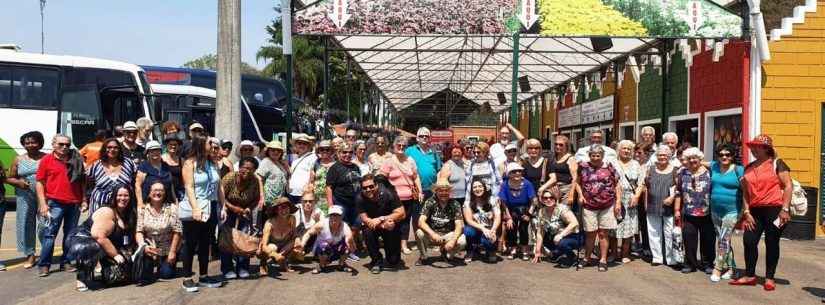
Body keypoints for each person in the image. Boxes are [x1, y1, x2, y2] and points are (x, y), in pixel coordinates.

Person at [732, 134, 792, 291]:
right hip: (754, 211)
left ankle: (770, 278)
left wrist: (785, 209)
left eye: (757, 146)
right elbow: (746, 192)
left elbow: (788, 186)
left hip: (775, 209)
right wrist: (746, 211)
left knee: (772, 243)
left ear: (766, 149)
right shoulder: (749, 167)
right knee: (749, 240)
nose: (753, 149)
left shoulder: (777, 164)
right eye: (752, 146)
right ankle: (750, 275)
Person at [36, 134, 86, 277]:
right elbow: (40, 182)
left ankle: (67, 261)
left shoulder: (76, 159)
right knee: (49, 234)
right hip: (54, 203)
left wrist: (84, 199)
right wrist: (43, 203)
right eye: (61, 144)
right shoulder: (46, 160)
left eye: (67, 145)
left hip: (74, 203)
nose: (64, 147)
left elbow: (82, 181)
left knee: (70, 235)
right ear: (53, 144)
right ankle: (44, 264)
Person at [178, 136, 222, 292]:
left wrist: (223, 206)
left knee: (206, 242)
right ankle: (187, 277)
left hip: (211, 205)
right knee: (190, 243)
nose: (213, 145)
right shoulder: (190, 164)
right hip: (196, 206)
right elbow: (189, 187)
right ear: (201, 145)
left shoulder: (212, 163)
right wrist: (195, 207)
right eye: (210, 143)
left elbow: (218, 185)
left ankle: (204, 275)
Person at [75, 186, 135, 291]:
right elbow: (99, 236)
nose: (123, 198)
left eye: (126, 195)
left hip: (106, 241)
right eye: (119, 195)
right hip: (85, 239)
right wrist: (115, 255)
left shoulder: (129, 212)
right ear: (114, 197)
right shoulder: (107, 211)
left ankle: (104, 270)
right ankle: (82, 278)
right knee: (91, 246)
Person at [574, 144, 621, 272]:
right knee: (590, 233)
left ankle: (603, 259)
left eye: (598, 155)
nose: (595, 158)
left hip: (607, 204)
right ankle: (587, 258)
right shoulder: (583, 167)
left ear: (602, 156)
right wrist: (580, 195)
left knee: (603, 233)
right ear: (589, 155)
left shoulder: (609, 167)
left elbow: (617, 185)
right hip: (589, 205)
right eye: (593, 155)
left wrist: (618, 203)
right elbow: (577, 182)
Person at [6, 131, 46, 269]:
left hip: (44, 197)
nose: (30, 145)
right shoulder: (18, 159)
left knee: (44, 225)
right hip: (24, 197)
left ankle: (46, 252)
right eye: (27, 142)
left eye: (33, 142)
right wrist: (18, 183)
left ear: (40, 143)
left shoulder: (47, 158)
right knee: (25, 225)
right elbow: (10, 177)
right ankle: (30, 254)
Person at [673, 147, 715, 274]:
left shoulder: (709, 172)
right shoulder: (682, 173)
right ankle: (690, 263)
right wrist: (676, 210)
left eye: (694, 158)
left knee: (708, 239)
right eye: (689, 158)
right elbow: (678, 192)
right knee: (689, 238)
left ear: (700, 159)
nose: (692, 160)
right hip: (689, 212)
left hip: (707, 211)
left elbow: (717, 164)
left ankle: (707, 263)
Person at [219, 157, 262, 279]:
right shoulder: (229, 178)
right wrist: (233, 208)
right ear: (239, 167)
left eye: (251, 169)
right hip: (227, 210)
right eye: (245, 168)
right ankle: (227, 268)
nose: (247, 171)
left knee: (244, 239)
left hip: (244, 212)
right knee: (227, 240)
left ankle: (243, 267)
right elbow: (221, 195)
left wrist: (249, 208)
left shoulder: (254, 180)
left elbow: (256, 198)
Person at [356, 174, 406, 274]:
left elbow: (401, 213)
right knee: (367, 231)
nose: (368, 189)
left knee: (393, 261)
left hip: (390, 225)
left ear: (377, 185)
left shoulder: (389, 194)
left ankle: (391, 254)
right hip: (375, 226)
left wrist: (381, 219)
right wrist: (382, 225)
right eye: (365, 188)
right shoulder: (359, 198)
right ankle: (376, 261)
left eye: (371, 186)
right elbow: (365, 219)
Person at [380, 137, 423, 255]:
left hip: (408, 198)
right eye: (399, 145)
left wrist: (420, 191)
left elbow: (416, 177)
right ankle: (393, 244)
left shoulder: (410, 160)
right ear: (394, 146)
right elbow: (382, 179)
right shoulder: (389, 161)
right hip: (393, 199)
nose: (401, 147)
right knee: (394, 221)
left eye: (404, 146)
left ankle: (403, 245)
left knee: (405, 222)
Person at [708, 143, 743, 282]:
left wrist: (745, 210)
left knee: (723, 239)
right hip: (715, 210)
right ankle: (731, 269)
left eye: (727, 154)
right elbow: (696, 160)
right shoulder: (714, 166)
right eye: (721, 154)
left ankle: (717, 268)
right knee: (723, 240)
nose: (724, 157)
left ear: (733, 156)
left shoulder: (738, 170)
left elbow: (747, 189)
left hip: (732, 210)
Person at [135, 182, 182, 284]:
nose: (158, 193)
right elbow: (139, 231)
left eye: (161, 190)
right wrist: (143, 246)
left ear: (165, 193)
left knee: (166, 274)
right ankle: (149, 265)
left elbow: (177, 231)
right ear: (149, 193)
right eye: (155, 190)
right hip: (150, 249)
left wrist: (172, 252)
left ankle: (165, 264)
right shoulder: (142, 210)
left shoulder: (172, 208)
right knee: (143, 276)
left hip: (167, 249)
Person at [641, 145, 679, 267]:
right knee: (653, 232)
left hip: (669, 206)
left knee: (669, 232)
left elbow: (679, 188)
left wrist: (672, 198)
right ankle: (657, 257)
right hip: (652, 205)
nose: (662, 157)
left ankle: (670, 258)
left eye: (665, 155)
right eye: (660, 155)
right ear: (656, 156)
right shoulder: (650, 168)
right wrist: (645, 202)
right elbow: (645, 186)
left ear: (669, 156)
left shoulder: (675, 170)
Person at [415, 179, 465, 265]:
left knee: (462, 240)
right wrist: (433, 234)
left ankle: (446, 252)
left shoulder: (455, 204)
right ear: (436, 191)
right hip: (433, 234)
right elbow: (421, 221)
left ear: (449, 191)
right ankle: (423, 256)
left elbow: (459, 225)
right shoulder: (430, 202)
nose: (443, 193)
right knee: (419, 233)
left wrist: (453, 240)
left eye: (446, 191)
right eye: (440, 191)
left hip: (448, 235)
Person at [295, 205, 355, 274]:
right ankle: (321, 265)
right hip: (321, 250)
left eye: (337, 215)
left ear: (341, 217)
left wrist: (350, 245)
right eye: (332, 215)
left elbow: (350, 240)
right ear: (329, 216)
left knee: (347, 246)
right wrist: (302, 245)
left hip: (335, 250)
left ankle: (341, 264)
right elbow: (308, 233)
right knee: (324, 245)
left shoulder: (345, 226)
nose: (334, 217)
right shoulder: (322, 224)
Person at [611, 140, 643, 264]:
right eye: (624, 148)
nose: (626, 151)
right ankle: (614, 254)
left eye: (629, 149)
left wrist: (636, 196)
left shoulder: (636, 164)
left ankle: (625, 254)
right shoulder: (612, 163)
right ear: (619, 150)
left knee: (629, 228)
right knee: (614, 227)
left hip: (630, 198)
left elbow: (641, 183)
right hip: (615, 198)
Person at [531, 189, 581, 267]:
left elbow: (574, 223)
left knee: (561, 243)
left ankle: (572, 257)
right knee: (543, 236)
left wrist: (561, 235)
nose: (548, 200)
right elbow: (540, 233)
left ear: (555, 198)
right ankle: (558, 253)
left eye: (551, 197)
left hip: (575, 236)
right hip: (557, 237)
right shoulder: (542, 211)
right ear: (542, 199)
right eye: (545, 198)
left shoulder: (562, 208)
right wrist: (538, 251)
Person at [87, 138, 137, 214]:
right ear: (104, 149)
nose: (112, 150)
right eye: (109, 147)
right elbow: (87, 181)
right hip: (99, 205)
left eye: (115, 147)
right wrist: (84, 200)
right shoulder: (96, 165)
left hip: (124, 204)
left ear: (119, 149)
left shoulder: (129, 163)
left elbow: (136, 180)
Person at [499, 163, 536, 260]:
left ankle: (524, 249)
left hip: (525, 208)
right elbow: (504, 203)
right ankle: (513, 248)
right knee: (511, 228)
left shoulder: (527, 184)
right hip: (511, 209)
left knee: (524, 228)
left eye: (519, 171)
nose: (517, 173)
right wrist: (508, 217)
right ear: (509, 174)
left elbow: (533, 201)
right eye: (514, 172)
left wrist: (529, 214)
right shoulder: (505, 185)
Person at [462, 178, 501, 263]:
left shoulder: (492, 200)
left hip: (489, 229)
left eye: (480, 186)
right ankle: (470, 250)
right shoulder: (467, 203)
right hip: (476, 228)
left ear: (484, 187)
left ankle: (491, 251)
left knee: (488, 240)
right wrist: (482, 228)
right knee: (468, 230)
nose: (477, 189)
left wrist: (493, 230)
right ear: (471, 190)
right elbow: (468, 220)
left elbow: (498, 217)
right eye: (475, 187)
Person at [326, 143, 363, 230]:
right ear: (339, 153)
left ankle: (352, 243)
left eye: (350, 152)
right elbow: (329, 187)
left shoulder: (356, 167)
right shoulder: (334, 168)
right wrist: (331, 205)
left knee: (356, 226)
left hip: (355, 203)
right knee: (342, 227)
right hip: (341, 203)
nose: (348, 154)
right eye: (344, 152)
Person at [259, 198, 299, 274]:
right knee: (272, 247)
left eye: (286, 207)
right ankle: (263, 263)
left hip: (285, 246)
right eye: (281, 207)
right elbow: (264, 246)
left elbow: (294, 235)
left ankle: (284, 263)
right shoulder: (269, 223)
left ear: (289, 208)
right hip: (272, 247)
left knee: (295, 243)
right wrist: (275, 255)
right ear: (276, 210)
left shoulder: (292, 219)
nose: (284, 210)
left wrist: (298, 241)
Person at [404, 127, 441, 202]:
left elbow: (439, 170)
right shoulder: (409, 151)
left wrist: (437, 186)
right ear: (417, 138)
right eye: (421, 136)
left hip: (432, 190)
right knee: (417, 212)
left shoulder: (434, 152)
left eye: (426, 136)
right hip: (415, 190)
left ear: (429, 138)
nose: (424, 137)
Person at [538, 134, 575, 205]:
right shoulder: (551, 157)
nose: (558, 146)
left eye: (561, 145)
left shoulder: (570, 158)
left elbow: (575, 178)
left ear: (566, 146)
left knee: (564, 211)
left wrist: (571, 194)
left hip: (565, 189)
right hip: (552, 188)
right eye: (556, 144)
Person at [135, 141, 173, 209]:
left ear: (160, 151)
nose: (155, 153)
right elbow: (138, 185)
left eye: (157, 150)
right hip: (149, 204)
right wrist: (140, 203)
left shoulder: (166, 165)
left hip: (166, 203)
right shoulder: (144, 166)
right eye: (151, 151)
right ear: (147, 153)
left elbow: (171, 185)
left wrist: (175, 200)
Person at [257, 141, 289, 213]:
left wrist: (286, 166)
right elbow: (259, 179)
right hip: (268, 201)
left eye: (278, 150)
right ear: (268, 151)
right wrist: (262, 197)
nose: (276, 152)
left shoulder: (280, 163)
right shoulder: (266, 162)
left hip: (279, 201)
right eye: (273, 150)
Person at [309, 140, 336, 216]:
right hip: (318, 200)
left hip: (332, 199)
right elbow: (311, 182)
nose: (325, 151)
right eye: (322, 149)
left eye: (327, 149)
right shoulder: (315, 164)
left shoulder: (336, 164)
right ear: (319, 151)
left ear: (331, 151)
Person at [288, 134, 317, 204]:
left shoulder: (313, 157)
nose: (302, 145)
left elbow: (313, 174)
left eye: (304, 143)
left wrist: (309, 190)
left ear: (309, 146)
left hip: (304, 194)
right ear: (296, 145)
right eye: (299, 143)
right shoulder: (295, 160)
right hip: (292, 193)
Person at [162, 135, 185, 200]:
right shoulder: (161, 159)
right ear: (166, 145)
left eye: (175, 144)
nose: (173, 146)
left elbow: (184, 179)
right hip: (165, 192)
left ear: (178, 146)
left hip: (179, 192)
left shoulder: (182, 160)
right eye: (170, 144)